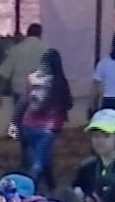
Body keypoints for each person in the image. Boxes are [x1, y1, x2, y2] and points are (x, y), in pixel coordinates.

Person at [13, 48, 73, 191]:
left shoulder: (32, 79)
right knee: (38, 164)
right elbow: (69, 104)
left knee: (39, 160)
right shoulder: (59, 82)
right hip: (48, 129)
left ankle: (52, 188)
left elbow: (23, 100)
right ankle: (27, 192)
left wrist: (15, 122)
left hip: (27, 125)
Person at [0, 24, 47, 108]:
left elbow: (4, 73)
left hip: (20, 93)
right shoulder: (47, 50)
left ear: (27, 33)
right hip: (40, 94)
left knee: (20, 120)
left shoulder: (17, 49)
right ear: (40, 34)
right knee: (38, 120)